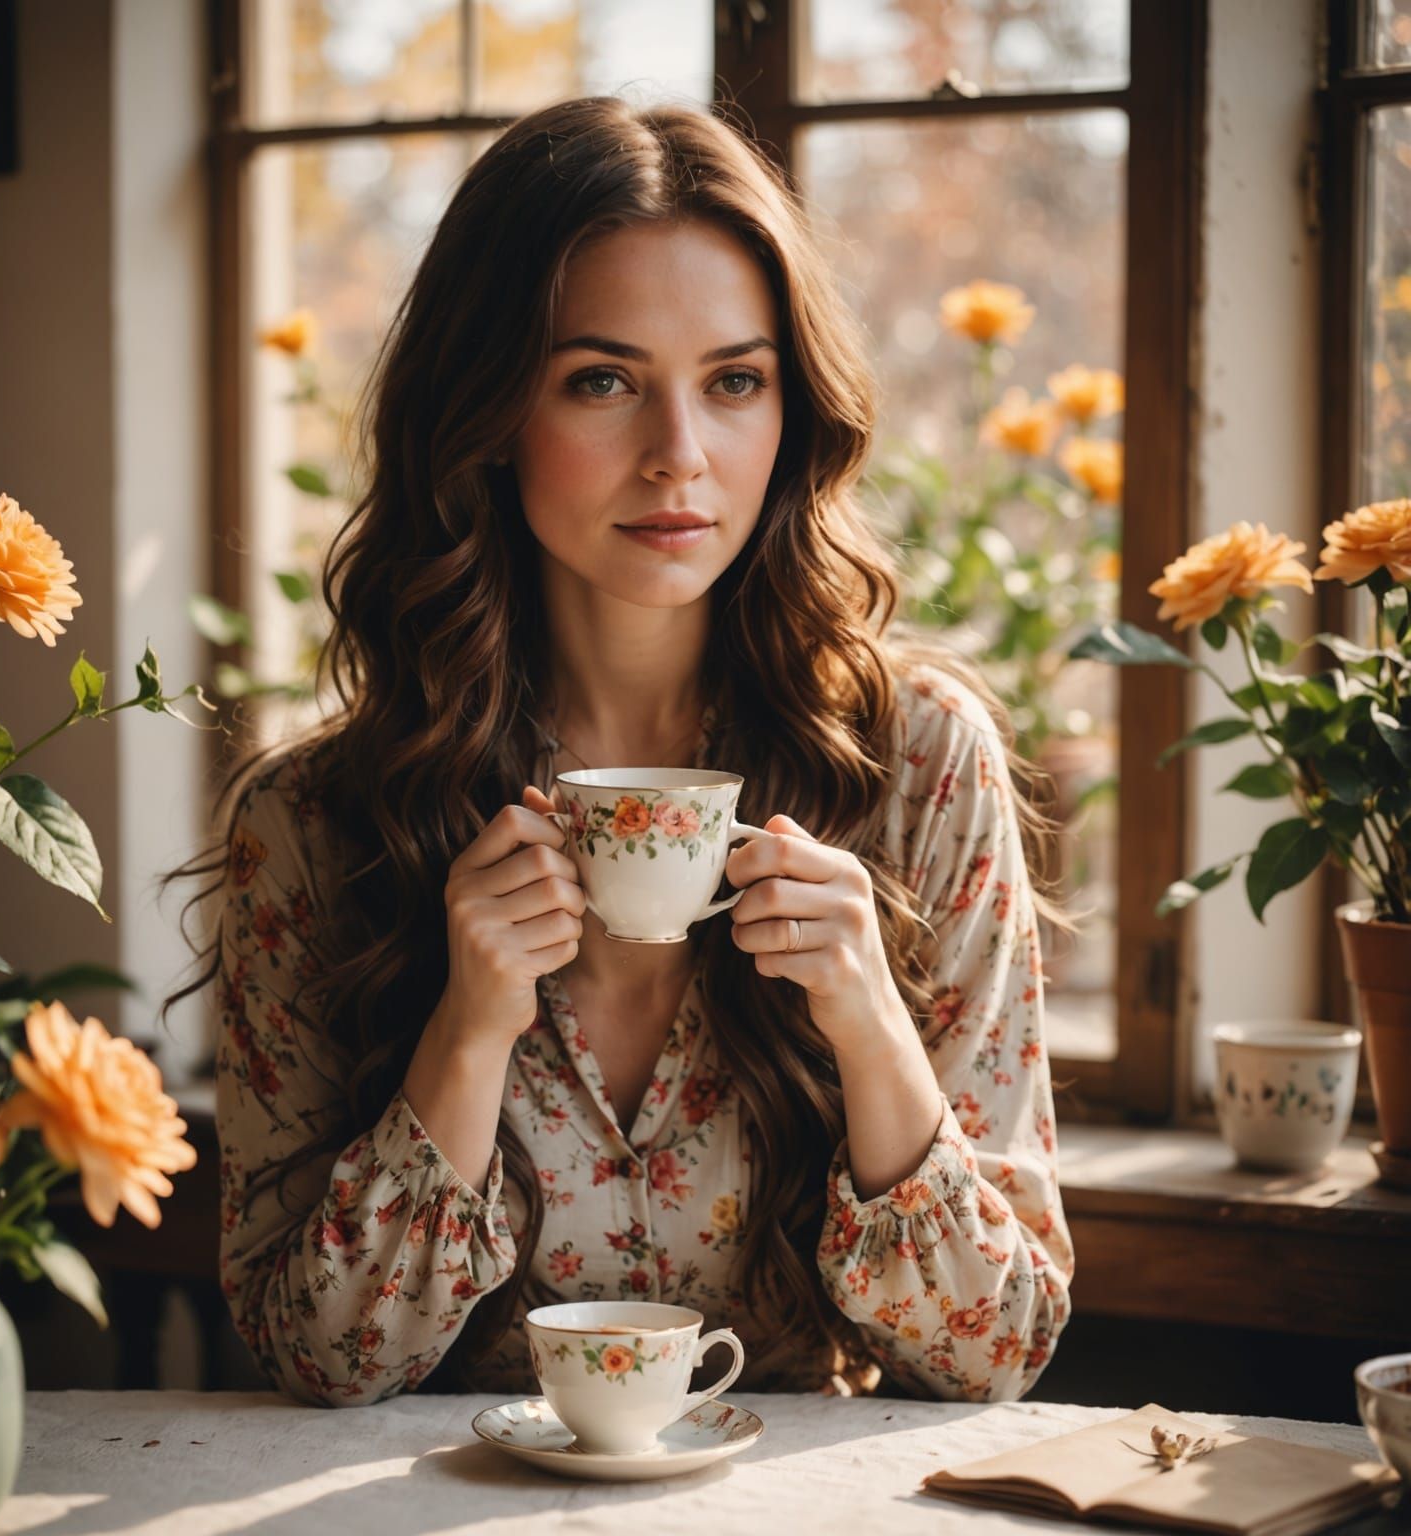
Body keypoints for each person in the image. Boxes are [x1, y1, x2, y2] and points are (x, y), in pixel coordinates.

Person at [166, 95, 1073, 1409]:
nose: (679, 457)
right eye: (603, 380)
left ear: (792, 412)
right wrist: (466, 1036)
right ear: (485, 410)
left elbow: (995, 1350)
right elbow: (317, 1355)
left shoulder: (921, 769)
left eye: (735, 381)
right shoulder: (313, 825)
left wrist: (870, 1025)